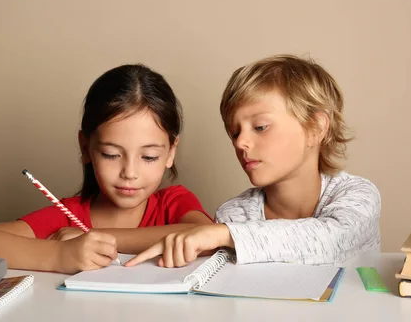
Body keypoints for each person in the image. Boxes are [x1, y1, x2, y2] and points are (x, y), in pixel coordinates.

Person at [0, 64, 212, 273]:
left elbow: (204, 235)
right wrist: (61, 255)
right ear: (85, 147)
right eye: (111, 154)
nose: (130, 172)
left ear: (171, 152)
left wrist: (99, 238)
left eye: (149, 157)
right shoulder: (67, 216)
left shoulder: (173, 202)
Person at [127, 54, 380, 268]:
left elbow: (331, 240)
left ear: (315, 128)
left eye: (260, 127)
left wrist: (224, 234)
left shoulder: (358, 196)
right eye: (235, 132)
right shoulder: (234, 214)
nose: (240, 143)